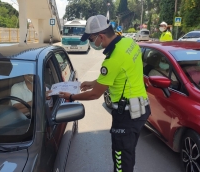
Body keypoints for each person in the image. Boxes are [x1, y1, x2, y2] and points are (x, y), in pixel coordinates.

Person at [58, 15, 151, 172]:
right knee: (128, 153)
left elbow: (95, 94)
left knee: (121, 160)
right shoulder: (128, 43)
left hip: (126, 117)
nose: (91, 42)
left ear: (100, 36)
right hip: (141, 109)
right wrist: (94, 82)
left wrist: (71, 97)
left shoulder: (112, 59)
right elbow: (121, 74)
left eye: (91, 38)